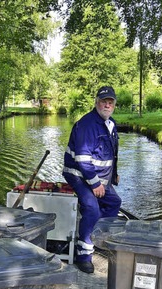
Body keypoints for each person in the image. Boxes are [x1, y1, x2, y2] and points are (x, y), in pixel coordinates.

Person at [63, 86, 121, 274]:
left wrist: (114, 175)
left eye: (110, 102)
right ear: (96, 103)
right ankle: (83, 255)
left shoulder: (110, 124)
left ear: (114, 105)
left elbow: (112, 154)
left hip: (98, 176)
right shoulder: (87, 125)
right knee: (92, 207)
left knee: (114, 201)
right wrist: (95, 184)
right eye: (103, 101)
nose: (107, 105)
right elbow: (82, 160)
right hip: (78, 174)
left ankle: (98, 238)